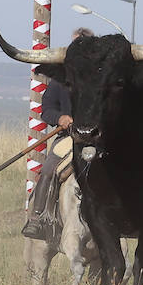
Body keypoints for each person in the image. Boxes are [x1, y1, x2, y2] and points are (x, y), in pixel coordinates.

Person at [22, 28, 92, 241]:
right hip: (69, 137)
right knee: (49, 169)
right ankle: (37, 218)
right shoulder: (61, 80)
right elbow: (47, 109)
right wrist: (60, 119)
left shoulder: (101, 77)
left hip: (97, 138)